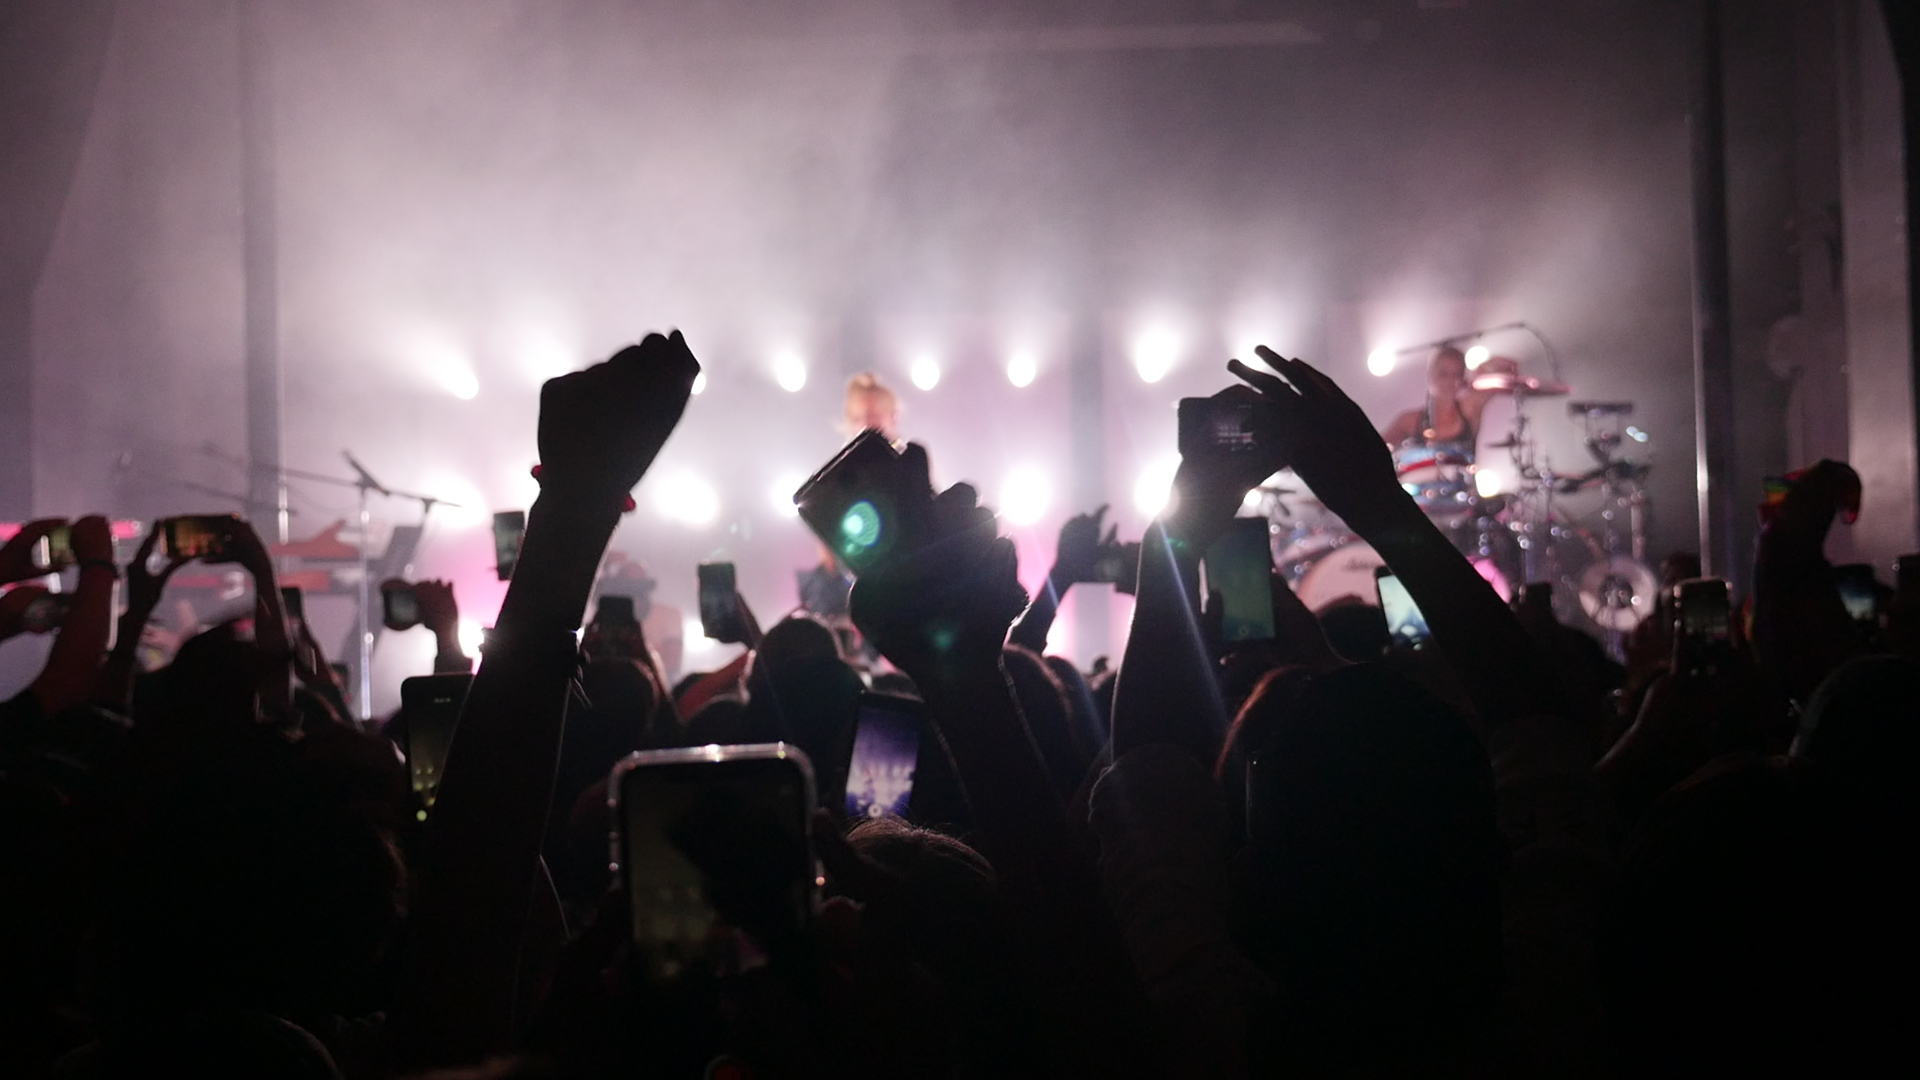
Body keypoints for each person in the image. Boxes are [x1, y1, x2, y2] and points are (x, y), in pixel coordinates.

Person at [1379, 345, 1518, 458]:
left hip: (1463, 483)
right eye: (1443, 374)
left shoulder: (1469, 409)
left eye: (1456, 374)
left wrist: (1483, 369)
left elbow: (1510, 370)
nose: (1450, 381)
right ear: (1430, 375)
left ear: (1463, 378)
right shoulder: (1410, 420)